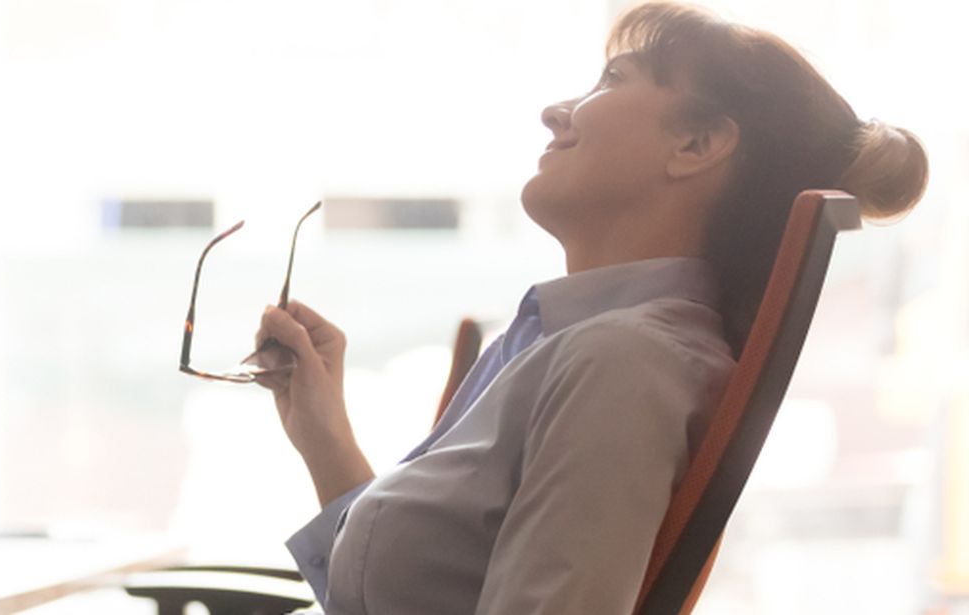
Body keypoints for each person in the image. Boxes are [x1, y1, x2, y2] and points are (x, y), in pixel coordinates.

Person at [253, 3, 930, 613]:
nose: (556, 110)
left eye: (613, 80)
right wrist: (324, 433)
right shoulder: (579, 346)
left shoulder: (622, 365)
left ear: (696, 145)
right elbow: (412, 591)